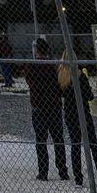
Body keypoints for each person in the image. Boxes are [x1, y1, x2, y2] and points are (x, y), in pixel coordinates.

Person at [59, 57, 97, 188]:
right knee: (93, 145)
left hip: (70, 113)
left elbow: (61, 94)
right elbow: (89, 95)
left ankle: (78, 179)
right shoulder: (80, 76)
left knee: (75, 145)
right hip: (83, 112)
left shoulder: (62, 77)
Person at [24, 37, 68, 182]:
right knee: (58, 139)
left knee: (41, 140)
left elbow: (30, 82)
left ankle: (43, 172)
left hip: (39, 106)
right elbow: (60, 83)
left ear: (36, 50)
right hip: (54, 106)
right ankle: (63, 171)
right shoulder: (54, 65)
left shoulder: (32, 65)